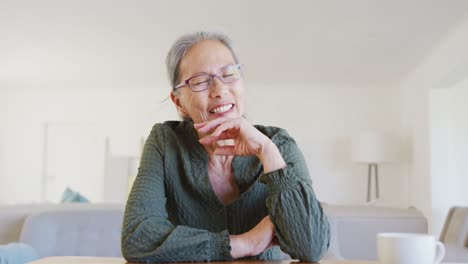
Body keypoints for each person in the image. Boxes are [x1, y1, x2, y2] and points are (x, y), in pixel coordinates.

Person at [121, 31, 330, 262]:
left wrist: (267, 152)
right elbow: (137, 239)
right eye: (200, 81)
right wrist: (245, 243)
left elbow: (311, 247)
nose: (220, 90)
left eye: (229, 74)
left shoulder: (277, 143)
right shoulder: (165, 142)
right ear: (178, 102)